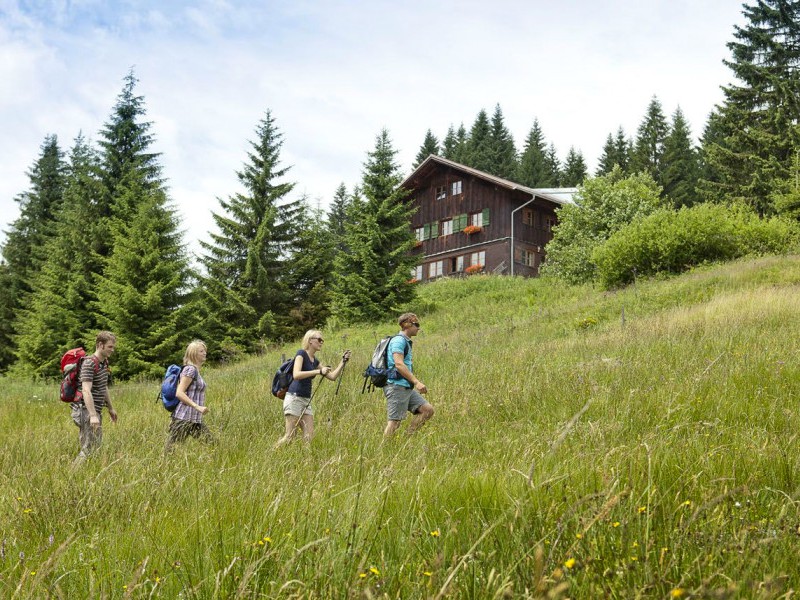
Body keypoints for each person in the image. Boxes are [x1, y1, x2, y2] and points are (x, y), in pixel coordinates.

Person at [276, 330, 350, 445]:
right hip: (294, 398)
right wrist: (319, 371)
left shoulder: (315, 360)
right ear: (310, 340)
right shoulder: (301, 354)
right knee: (290, 436)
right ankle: (274, 450)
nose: (321, 342)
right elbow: (296, 374)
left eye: (322, 341)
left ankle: (306, 461)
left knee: (309, 437)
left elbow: (332, 377)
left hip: (306, 401)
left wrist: (343, 361)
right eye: (319, 340)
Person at [384, 313, 434, 436]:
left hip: (404, 386)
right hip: (396, 386)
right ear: (406, 325)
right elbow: (399, 364)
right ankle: (384, 449)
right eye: (416, 324)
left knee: (427, 410)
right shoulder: (398, 341)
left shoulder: (405, 341)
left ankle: (407, 437)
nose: (418, 328)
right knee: (394, 422)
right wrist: (416, 382)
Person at [71, 331, 117, 462]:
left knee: (95, 446)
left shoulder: (104, 363)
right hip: (85, 410)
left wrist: (110, 408)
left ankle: (85, 477)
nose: (112, 350)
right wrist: (92, 415)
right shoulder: (89, 363)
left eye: (113, 347)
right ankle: (71, 476)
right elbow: (86, 390)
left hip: (95, 410)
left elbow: (104, 387)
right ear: (100, 345)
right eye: (110, 347)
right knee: (88, 447)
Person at [165, 340, 214, 452]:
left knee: (212, 445)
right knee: (171, 452)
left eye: (204, 350)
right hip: (183, 418)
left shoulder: (196, 370)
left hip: (195, 419)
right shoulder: (190, 370)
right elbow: (179, 393)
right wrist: (197, 407)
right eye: (201, 351)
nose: (205, 353)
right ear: (193, 353)